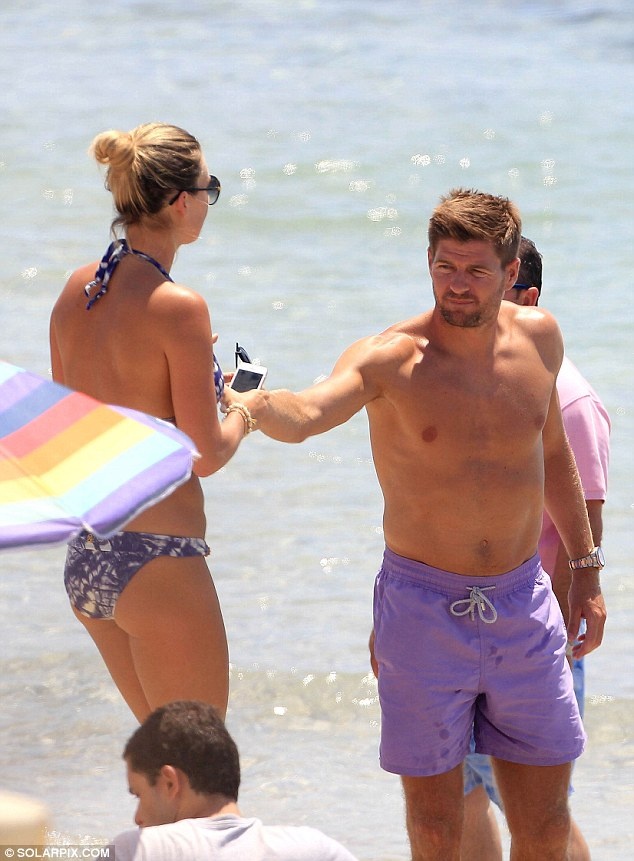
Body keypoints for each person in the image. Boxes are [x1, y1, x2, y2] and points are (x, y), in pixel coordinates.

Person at [223, 189, 607, 860]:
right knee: (435, 827)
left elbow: (552, 452)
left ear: (511, 271)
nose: (457, 285)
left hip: (523, 605)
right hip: (425, 609)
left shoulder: (540, 339)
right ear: (428, 262)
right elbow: (308, 413)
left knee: (546, 825)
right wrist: (249, 406)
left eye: (476, 270)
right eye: (444, 267)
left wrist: (585, 569)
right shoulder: (389, 360)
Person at [50, 123, 251, 722]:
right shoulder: (178, 307)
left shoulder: (77, 288)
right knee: (202, 762)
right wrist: (246, 411)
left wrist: (194, 382)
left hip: (88, 555)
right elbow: (204, 456)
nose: (209, 201)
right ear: (181, 201)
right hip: (157, 560)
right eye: (210, 189)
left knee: (165, 757)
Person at [460, 237, 611, 861]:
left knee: (539, 816)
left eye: (487, 291)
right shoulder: (473, 383)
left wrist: (560, 634)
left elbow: (586, 524)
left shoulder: (569, 399)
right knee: (461, 796)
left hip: (527, 641)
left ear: (527, 299)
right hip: (458, 633)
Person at [112, 700, 358, 860]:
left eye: (139, 795)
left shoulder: (136, 850)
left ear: (170, 782)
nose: (137, 817)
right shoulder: (314, 849)